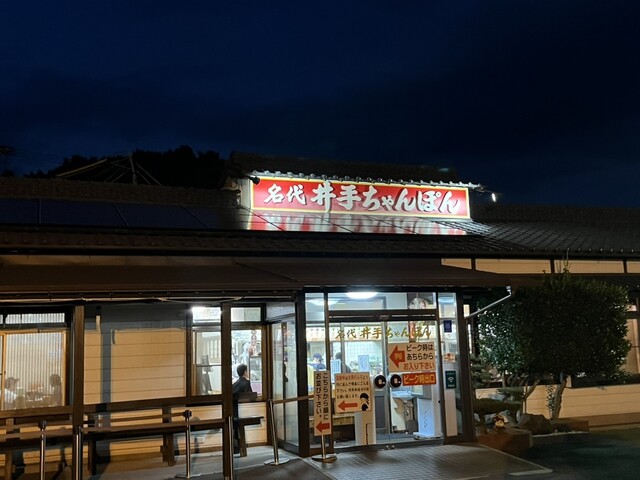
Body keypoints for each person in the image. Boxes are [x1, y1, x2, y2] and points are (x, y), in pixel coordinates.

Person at [232, 364, 253, 454]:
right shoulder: (246, 382)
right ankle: (241, 447)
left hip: (233, 409)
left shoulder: (236, 383)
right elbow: (250, 396)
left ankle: (236, 447)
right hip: (241, 409)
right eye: (247, 371)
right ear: (245, 372)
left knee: (235, 429)